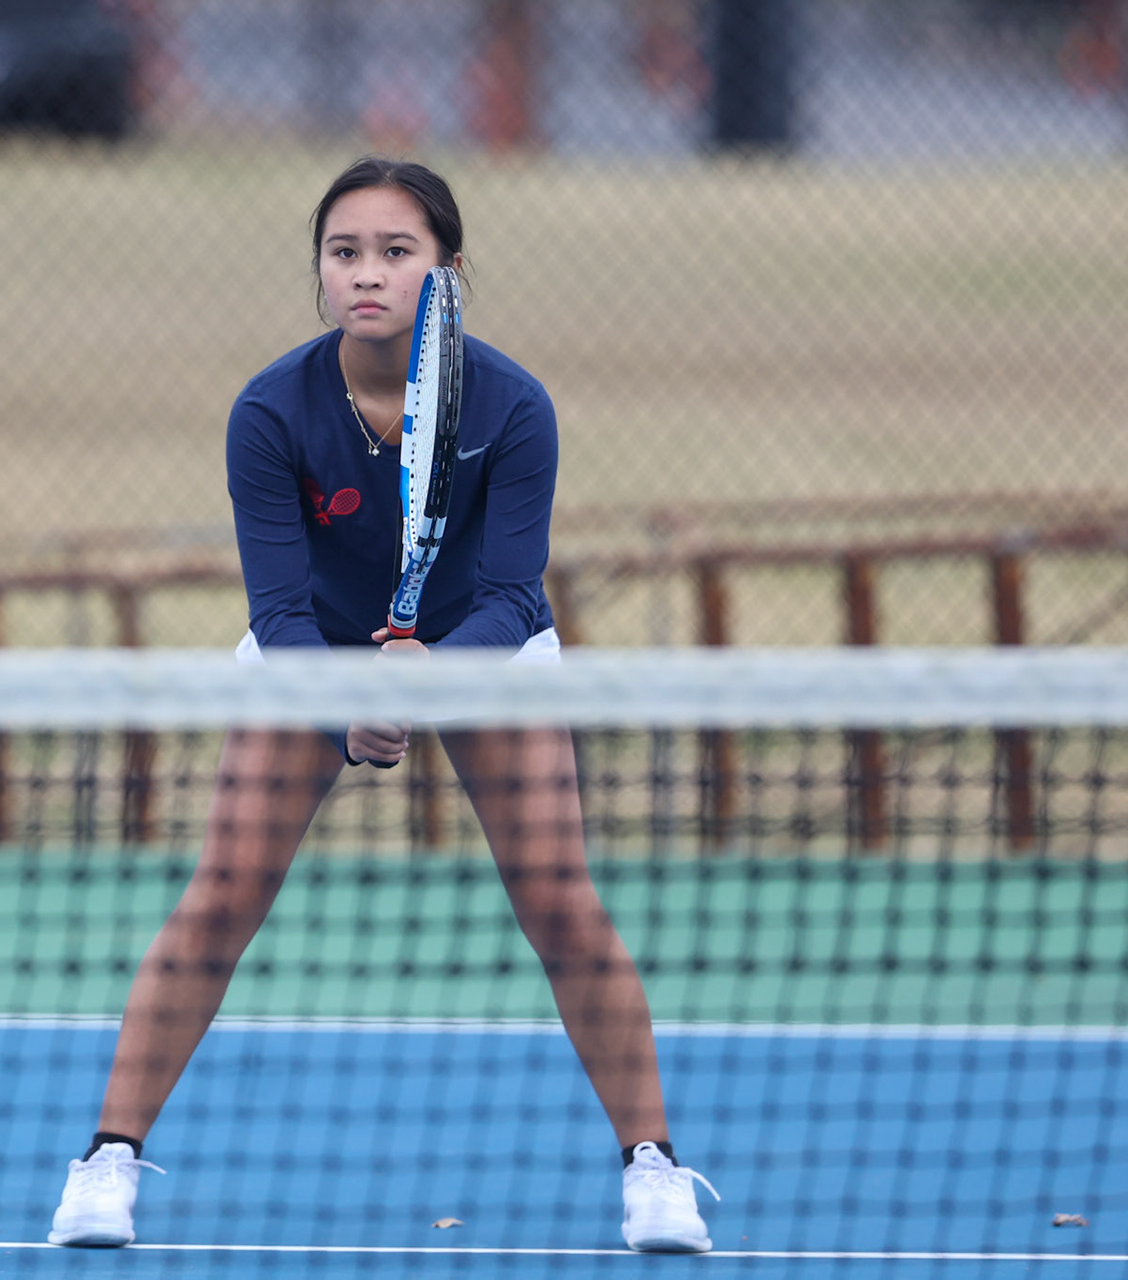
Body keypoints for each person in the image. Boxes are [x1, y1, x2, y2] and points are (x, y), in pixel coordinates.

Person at [48, 156, 718, 1253]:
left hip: (483, 652)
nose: (367, 273)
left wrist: (428, 675)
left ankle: (654, 1169)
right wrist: (341, 702)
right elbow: (277, 604)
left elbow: (510, 592)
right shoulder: (270, 412)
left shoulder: (512, 408)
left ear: (448, 272)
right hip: (311, 650)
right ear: (318, 273)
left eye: (396, 253)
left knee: (561, 902)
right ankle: (106, 1158)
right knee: (219, 895)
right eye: (344, 252)